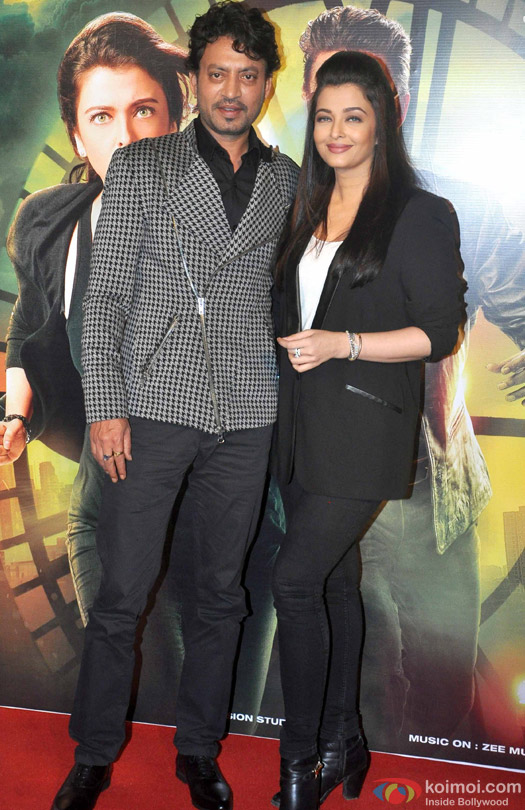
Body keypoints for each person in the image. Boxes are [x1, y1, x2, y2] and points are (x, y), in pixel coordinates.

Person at [50, 3, 298, 810]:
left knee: (222, 597)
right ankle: (94, 754)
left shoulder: (286, 180)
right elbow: (106, 298)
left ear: (265, 85)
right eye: (217, 72)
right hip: (152, 406)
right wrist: (106, 407)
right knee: (121, 597)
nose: (231, 90)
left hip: (246, 411)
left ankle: (198, 750)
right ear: (194, 80)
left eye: (248, 76)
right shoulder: (143, 166)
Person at [296, 5, 525, 750]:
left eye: (365, 87)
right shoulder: (283, 203)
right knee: (344, 687)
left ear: (395, 99)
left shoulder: (457, 207)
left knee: (438, 699)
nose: (344, 105)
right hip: (315, 479)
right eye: (327, 87)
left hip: (430, 489)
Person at [270, 50, 464, 809]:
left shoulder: (418, 213)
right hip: (298, 433)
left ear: (383, 122)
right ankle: (344, 737)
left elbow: (439, 332)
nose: (336, 131)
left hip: (364, 432)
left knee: (294, 581)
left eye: (353, 116)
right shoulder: (304, 206)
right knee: (334, 583)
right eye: (324, 117)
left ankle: (299, 762)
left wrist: (343, 344)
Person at [1, 12, 189, 627]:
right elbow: (29, 326)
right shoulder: (52, 225)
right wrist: (15, 415)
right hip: (107, 509)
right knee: (128, 672)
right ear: (78, 138)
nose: (126, 137)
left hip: (224, 518)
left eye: (143, 110)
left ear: (174, 118)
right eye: (101, 117)